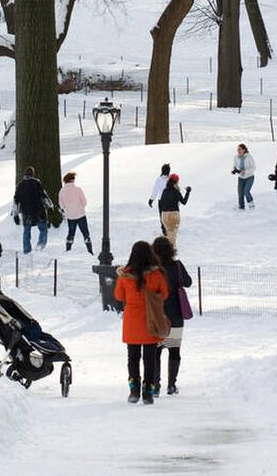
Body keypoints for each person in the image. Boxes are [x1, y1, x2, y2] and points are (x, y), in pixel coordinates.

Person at [113, 240, 169, 405]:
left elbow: (118, 296)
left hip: (131, 321)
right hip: (150, 320)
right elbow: (164, 294)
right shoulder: (156, 274)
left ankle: (134, 390)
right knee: (149, 359)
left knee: (133, 357)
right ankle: (148, 392)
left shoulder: (124, 275)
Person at [151, 235, 193, 395]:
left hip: (157, 316)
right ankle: (172, 385)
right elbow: (188, 282)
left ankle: (155, 385)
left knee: (156, 352)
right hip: (175, 315)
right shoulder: (176, 265)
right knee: (174, 350)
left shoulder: (152, 268)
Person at [13, 166, 49, 253]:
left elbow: (16, 201)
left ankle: (26, 249)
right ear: (33, 174)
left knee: (26, 231)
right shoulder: (36, 183)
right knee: (43, 229)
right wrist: (50, 205)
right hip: (38, 211)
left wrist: (15, 214)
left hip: (26, 212)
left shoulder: (20, 185)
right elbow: (43, 196)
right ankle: (40, 246)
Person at [58, 171, 93, 254]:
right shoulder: (78, 190)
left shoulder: (62, 191)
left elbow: (61, 205)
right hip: (80, 214)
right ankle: (90, 250)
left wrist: (68, 209)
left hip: (70, 216)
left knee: (71, 233)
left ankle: (68, 249)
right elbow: (84, 202)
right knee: (85, 233)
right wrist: (79, 207)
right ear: (72, 180)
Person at [157, 173, 191, 247]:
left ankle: (165, 253)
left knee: (168, 235)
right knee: (172, 237)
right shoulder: (175, 191)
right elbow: (184, 202)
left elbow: (161, 203)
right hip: (173, 215)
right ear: (176, 182)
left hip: (164, 215)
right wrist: (188, 192)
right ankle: (171, 254)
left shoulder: (164, 191)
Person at [232, 143, 256, 210]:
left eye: (240, 149)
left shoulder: (249, 157)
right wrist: (234, 170)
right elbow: (235, 166)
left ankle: (251, 205)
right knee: (240, 193)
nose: (238, 151)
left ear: (244, 150)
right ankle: (241, 207)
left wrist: (245, 171)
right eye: (237, 149)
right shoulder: (236, 157)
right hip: (241, 178)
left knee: (246, 191)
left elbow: (253, 168)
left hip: (249, 177)